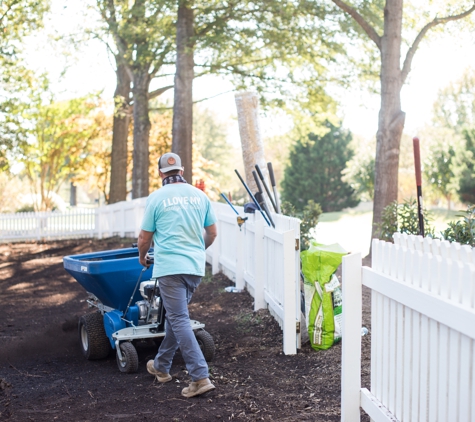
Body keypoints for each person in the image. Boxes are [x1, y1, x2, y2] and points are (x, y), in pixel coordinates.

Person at [137, 152, 218, 398]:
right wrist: (195, 252)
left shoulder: (157, 198)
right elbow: (212, 233)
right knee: (176, 318)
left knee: (179, 319)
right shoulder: (199, 196)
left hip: (170, 269)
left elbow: (144, 237)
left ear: (160, 173)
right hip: (193, 268)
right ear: (182, 171)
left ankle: (200, 376)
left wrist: (142, 256)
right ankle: (161, 367)